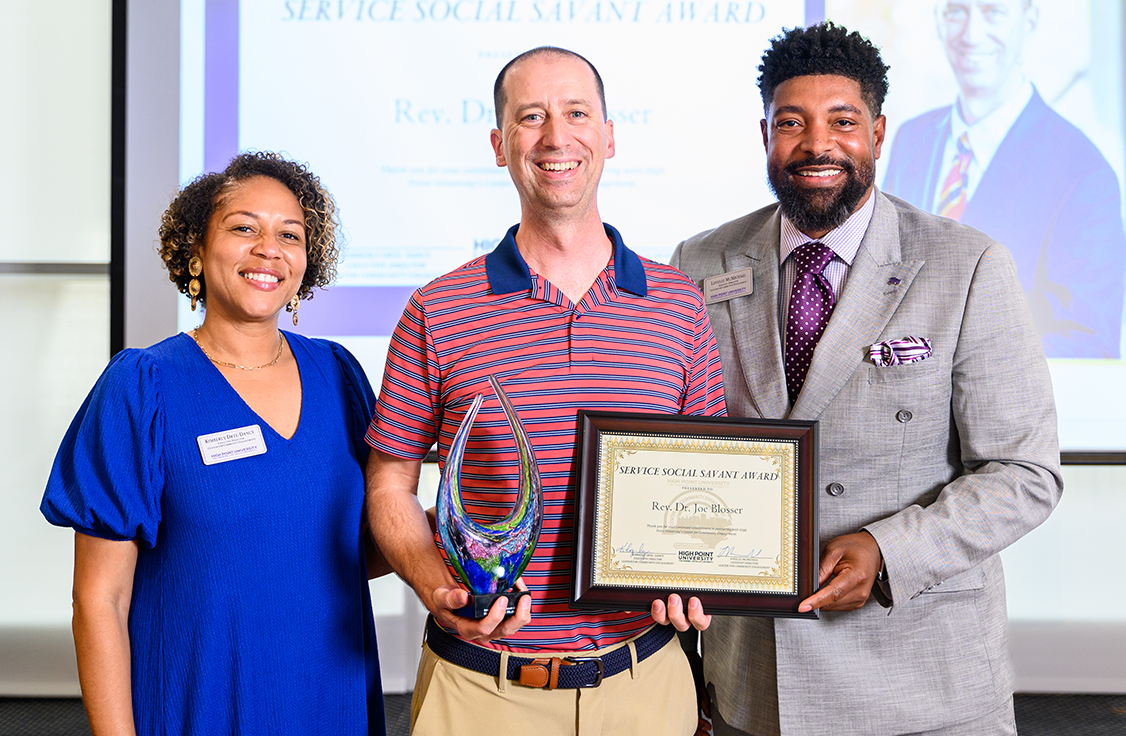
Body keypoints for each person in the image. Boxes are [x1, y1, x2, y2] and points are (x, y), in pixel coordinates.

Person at [671, 22, 1063, 736]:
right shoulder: (699, 262)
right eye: (792, 123)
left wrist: (889, 549)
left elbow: (1024, 472)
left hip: (923, 680)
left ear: (878, 134)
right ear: (765, 135)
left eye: (842, 121)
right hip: (754, 682)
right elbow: (678, 450)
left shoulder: (965, 264)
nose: (817, 144)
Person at [366, 46, 726, 735]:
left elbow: (711, 477)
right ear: (500, 145)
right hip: (478, 690)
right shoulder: (437, 309)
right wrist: (434, 584)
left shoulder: (679, 306)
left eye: (576, 113)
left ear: (610, 136)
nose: (556, 137)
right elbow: (388, 488)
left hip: (645, 684)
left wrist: (702, 572)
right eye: (531, 117)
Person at [41, 152, 386, 736]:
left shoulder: (338, 374)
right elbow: (100, 600)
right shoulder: (143, 386)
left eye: (289, 235)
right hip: (201, 702)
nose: (268, 249)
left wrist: (445, 534)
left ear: (308, 260)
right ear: (195, 250)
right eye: (243, 228)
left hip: (328, 698)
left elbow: (341, 556)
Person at [883, 0, 1126, 359]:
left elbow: (1086, 339)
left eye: (993, 11)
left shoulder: (1084, 172)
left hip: (1001, 415)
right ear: (939, 18)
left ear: (1029, 20)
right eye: (956, 11)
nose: (971, 33)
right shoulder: (912, 139)